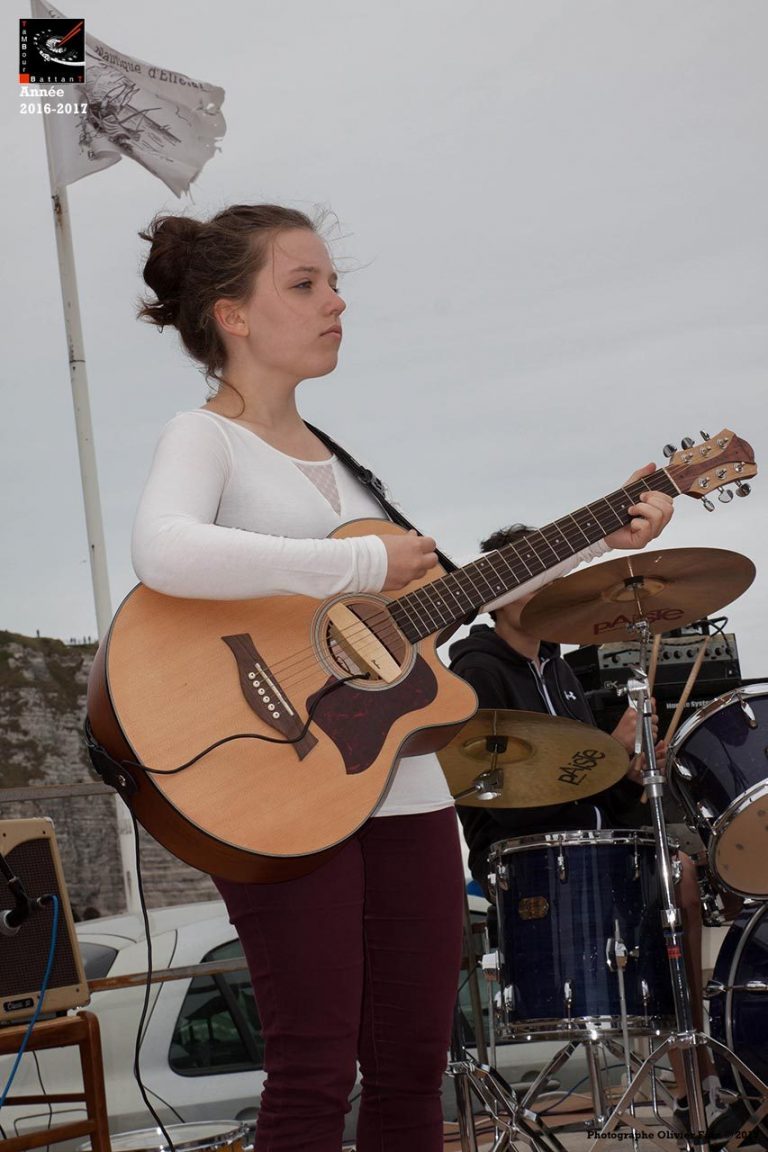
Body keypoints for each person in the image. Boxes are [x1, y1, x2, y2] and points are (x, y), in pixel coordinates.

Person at [130, 204, 674, 1152]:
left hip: (405, 788)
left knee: (415, 1071)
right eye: (305, 284)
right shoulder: (206, 437)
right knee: (312, 1071)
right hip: (279, 781)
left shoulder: (345, 470)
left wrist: (602, 533)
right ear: (234, 315)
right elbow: (163, 549)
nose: (336, 302)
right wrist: (356, 564)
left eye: (335, 283)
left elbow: (450, 592)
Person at [449, 523, 740, 1143]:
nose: (548, 588)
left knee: (682, 871)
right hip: (525, 857)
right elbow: (510, 804)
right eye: (531, 578)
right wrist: (608, 745)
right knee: (676, 877)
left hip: (594, 844)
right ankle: (695, 1078)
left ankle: (698, 1078)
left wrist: (630, 770)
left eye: (552, 576)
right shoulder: (476, 674)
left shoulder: (559, 671)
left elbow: (600, 798)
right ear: (497, 594)